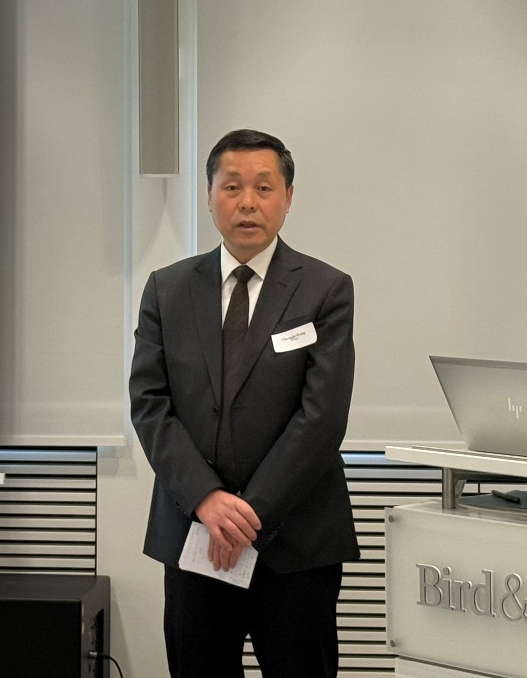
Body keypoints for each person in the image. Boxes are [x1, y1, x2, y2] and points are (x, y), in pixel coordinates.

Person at [130, 129, 359, 678]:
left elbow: (321, 418)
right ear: (210, 195)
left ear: (288, 197)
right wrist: (207, 499)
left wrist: (247, 515)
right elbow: (150, 403)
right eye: (232, 186)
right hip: (195, 534)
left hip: (296, 543)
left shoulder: (325, 290)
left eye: (264, 187)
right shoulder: (167, 289)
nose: (248, 202)